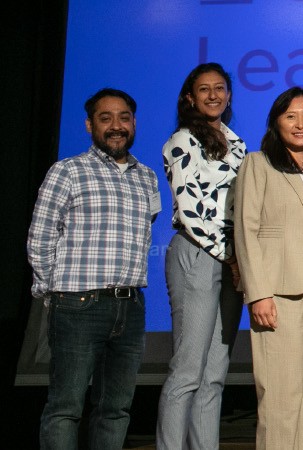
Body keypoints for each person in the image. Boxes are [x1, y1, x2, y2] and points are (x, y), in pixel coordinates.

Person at [28, 88, 160, 450]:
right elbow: (40, 237)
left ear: (134, 123)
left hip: (130, 305)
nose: (116, 126)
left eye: (124, 118)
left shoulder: (146, 177)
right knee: (65, 408)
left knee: (116, 408)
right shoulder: (67, 171)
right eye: (106, 118)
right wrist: (53, 292)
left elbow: (145, 234)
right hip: (78, 305)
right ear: (90, 125)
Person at [232, 87, 303, 450]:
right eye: (291, 116)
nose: (301, 123)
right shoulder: (258, 163)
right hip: (277, 292)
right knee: (279, 395)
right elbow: (245, 230)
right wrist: (257, 293)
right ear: (276, 122)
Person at [157, 62, 246, 450]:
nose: (213, 95)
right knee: (188, 372)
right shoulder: (181, 142)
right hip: (197, 253)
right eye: (204, 89)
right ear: (190, 98)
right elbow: (192, 211)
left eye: (220, 88)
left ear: (228, 95)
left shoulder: (238, 143)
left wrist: (240, 258)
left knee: (214, 375)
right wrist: (230, 257)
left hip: (233, 260)